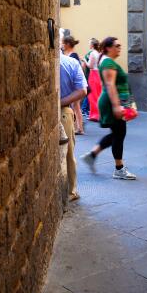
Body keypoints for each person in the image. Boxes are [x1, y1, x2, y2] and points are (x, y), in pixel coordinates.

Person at [81, 37, 137, 180]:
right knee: (119, 133)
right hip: (112, 102)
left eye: (120, 45)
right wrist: (117, 106)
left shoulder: (108, 61)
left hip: (115, 101)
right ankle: (119, 169)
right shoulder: (107, 62)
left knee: (117, 133)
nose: (119, 48)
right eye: (117, 46)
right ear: (108, 48)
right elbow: (110, 85)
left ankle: (92, 155)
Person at [59, 51, 88, 201]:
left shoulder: (66, 62)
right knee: (68, 152)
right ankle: (71, 191)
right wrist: (61, 102)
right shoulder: (71, 63)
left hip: (61, 110)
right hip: (64, 111)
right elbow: (82, 90)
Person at [62, 36, 85, 135]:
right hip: (75, 86)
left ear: (67, 44)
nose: (62, 45)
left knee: (76, 107)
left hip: (75, 87)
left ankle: (79, 128)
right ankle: (78, 127)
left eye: (63, 43)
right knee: (76, 106)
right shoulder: (72, 55)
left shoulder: (72, 56)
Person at [85, 39, 102, 122]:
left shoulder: (92, 53)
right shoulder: (98, 53)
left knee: (92, 95)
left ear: (92, 45)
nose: (88, 44)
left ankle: (95, 115)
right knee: (97, 94)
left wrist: (84, 60)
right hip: (98, 74)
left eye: (89, 43)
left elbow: (90, 66)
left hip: (93, 74)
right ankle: (97, 114)